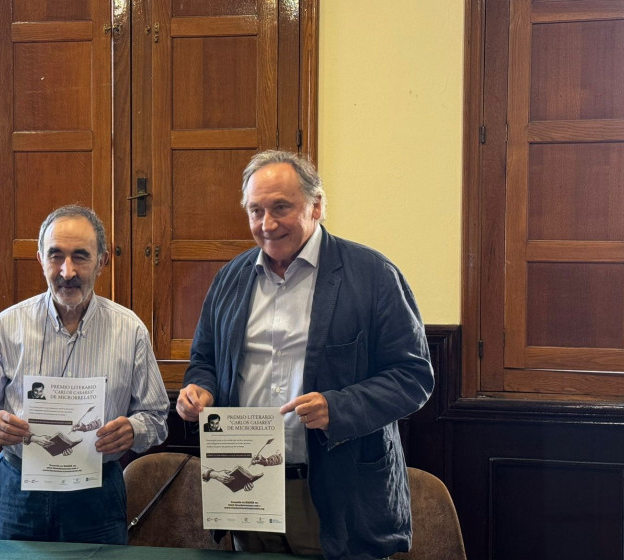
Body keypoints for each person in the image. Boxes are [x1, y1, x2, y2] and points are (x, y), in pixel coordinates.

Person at [177, 150, 434, 560]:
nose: (267, 224)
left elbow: (413, 376)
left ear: (317, 206)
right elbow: (204, 359)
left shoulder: (372, 275)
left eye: (281, 207)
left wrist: (339, 406)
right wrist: (199, 389)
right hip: (249, 485)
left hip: (335, 490)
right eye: (255, 210)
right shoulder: (230, 278)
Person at [0, 205, 169, 545]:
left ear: (102, 261)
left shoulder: (131, 331)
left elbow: (157, 416)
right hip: (17, 489)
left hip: (96, 495)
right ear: (40, 259)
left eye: (80, 257)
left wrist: (134, 429)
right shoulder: (7, 327)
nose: (67, 271)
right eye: (56, 256)